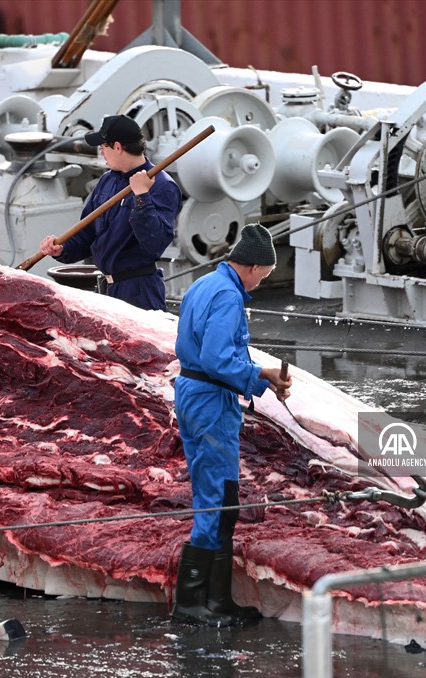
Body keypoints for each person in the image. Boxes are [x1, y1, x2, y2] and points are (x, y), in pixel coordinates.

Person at [171, 223, 293, 626]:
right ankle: (191, 605)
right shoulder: (228, 297)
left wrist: (261, 376)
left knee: (220, 496)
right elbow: (218, 359)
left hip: (194, 393)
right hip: (211, 400)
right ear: (253, 266)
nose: (262, 281)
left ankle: (217, 601)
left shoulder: (205, 284)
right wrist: (259, 377)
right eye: (265, 273)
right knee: (218, 497)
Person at [40, 114, 182, 311]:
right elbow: (87, 234)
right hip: (106, 289)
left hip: (138, 292)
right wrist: (63, 249)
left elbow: (154, 243)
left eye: (103, 147)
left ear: (117, 147)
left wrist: (141, 195)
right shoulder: (107, 180)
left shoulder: (162, 186)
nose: (101, 153)